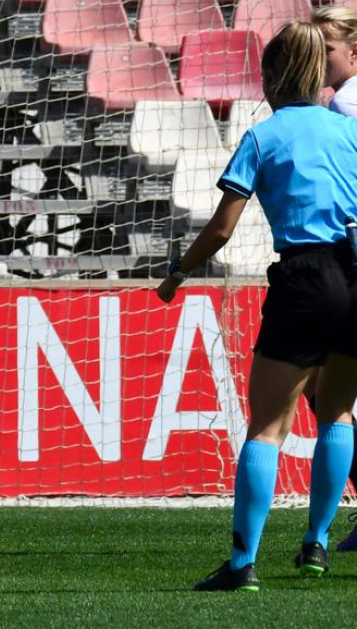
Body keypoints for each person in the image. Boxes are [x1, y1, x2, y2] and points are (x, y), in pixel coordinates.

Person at [156, 22, 357, 591]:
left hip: (306, 277)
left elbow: (222, 228)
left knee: (266, 428)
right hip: (356, 274)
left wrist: (179, 270)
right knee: (338, 412)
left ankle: (242, 563)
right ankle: (316, 544)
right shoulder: (349, 132)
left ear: (272, 76)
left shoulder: (262, 137)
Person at [311, 6, 357, 552]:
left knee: (323, 390)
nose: (318, 56)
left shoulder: (343, 104)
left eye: (326, 46)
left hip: (344, 260)